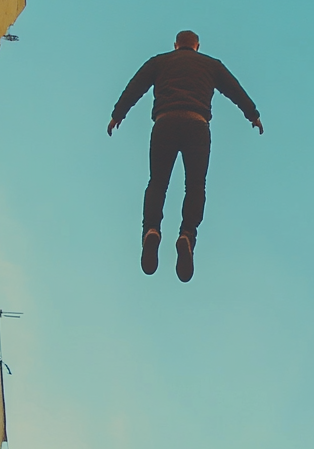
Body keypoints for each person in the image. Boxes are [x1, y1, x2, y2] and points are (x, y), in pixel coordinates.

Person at [107, 30, 263, 282]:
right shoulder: (211, 65)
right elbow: (235, 90)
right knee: (195, 185)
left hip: (165, 122)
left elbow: (135, 87)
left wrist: (118, 114)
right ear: (197, 46)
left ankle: (152, 230)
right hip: (197, 125)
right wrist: (252, 114)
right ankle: (187, 235)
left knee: (157, 182)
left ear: (176, 44)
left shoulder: (159, 61)